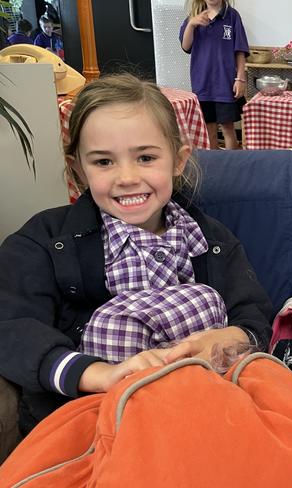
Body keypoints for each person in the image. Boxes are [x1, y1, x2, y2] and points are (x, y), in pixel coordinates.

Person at [0, 73, 273, 435]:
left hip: (202, 405)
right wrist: (97, 374)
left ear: (178, 161)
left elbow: (253, 314)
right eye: (103, 162)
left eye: (145, 157)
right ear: (78, 169)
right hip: (97, 415)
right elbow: (12, 326)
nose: (126, 177)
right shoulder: (43, 240)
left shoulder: (212, 239)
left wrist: (227, 338)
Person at [180, 0, 248, 150]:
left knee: (228, 128)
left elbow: (240, 51)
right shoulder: (193, 17)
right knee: (209, 129)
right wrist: (192, 24)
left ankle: (233, 167)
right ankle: (217, 168)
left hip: (226, 84)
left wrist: (240, 78)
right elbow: (186, 47)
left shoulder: (232, 16)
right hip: (202, 84)